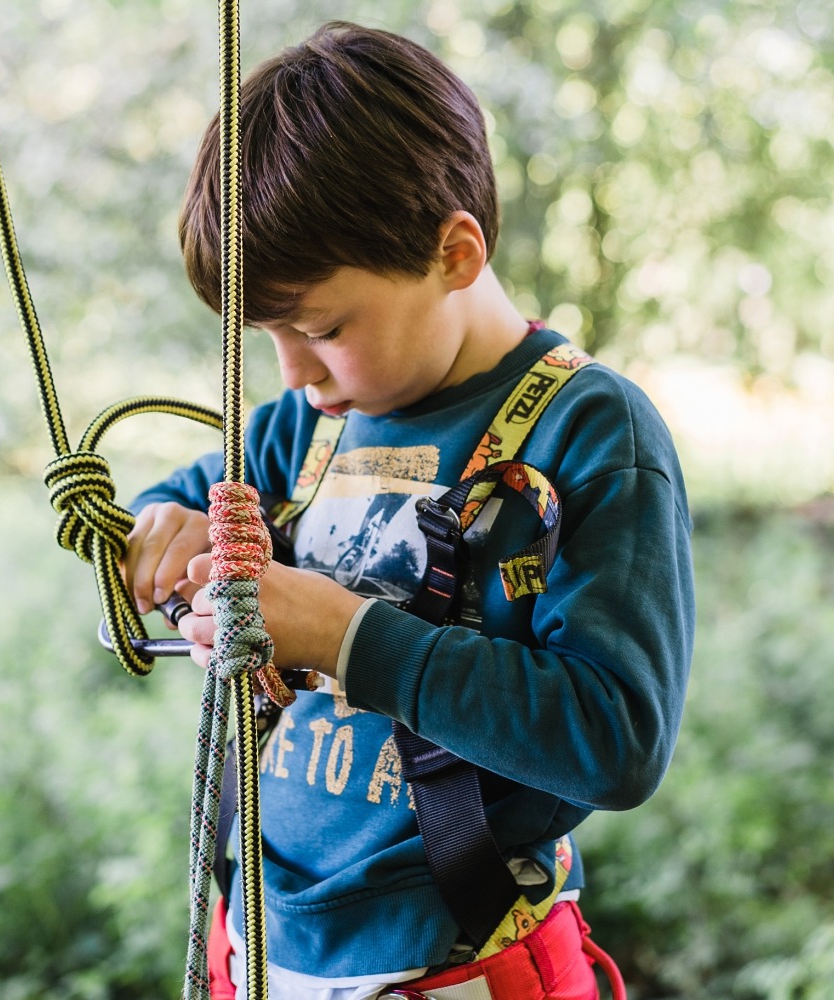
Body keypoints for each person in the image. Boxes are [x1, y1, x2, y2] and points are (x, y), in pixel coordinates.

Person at [124, 21, 694, 1000]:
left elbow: (618, 735)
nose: (294, 376)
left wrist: (346, 636)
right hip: (259, 951)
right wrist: (166, 539)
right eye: (267, 338)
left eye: (324, 329)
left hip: (462, 964)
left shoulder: (588, 434)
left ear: (455, 253)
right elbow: (179, 507)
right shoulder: (295, 435)